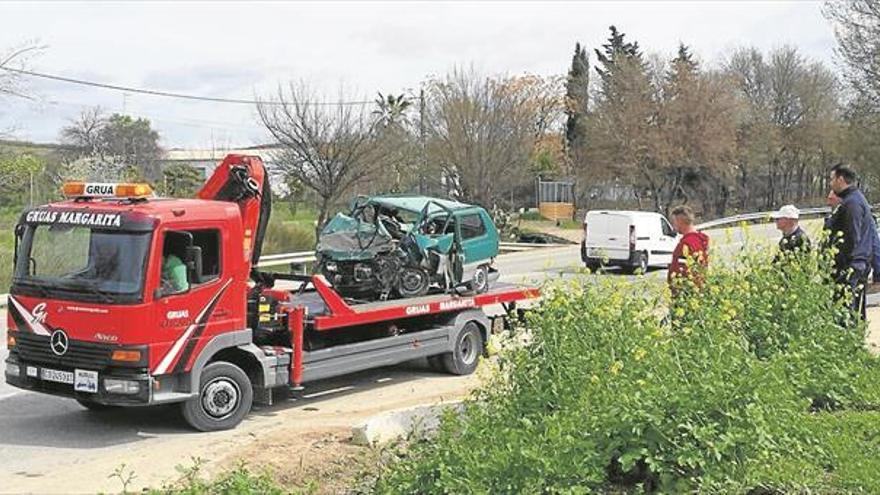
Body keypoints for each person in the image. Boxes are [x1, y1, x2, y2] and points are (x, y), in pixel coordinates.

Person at [826, 164, 873, 319]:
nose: (830, 183)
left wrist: (840, 261)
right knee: (853, 310)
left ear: (841, 179)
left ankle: (852, 341)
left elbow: (852, 237)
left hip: (851, 265)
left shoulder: (852, 203)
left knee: (848, 312)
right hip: (856, 263)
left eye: (832, 179)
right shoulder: (853, 199)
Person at [667, 205, 710, 293]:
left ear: (680, 222)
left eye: (674, 222)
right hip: (699, 288)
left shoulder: (686, 244)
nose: (673, 225)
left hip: (686, 292)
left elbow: (681, 270)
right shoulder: (701, 240)